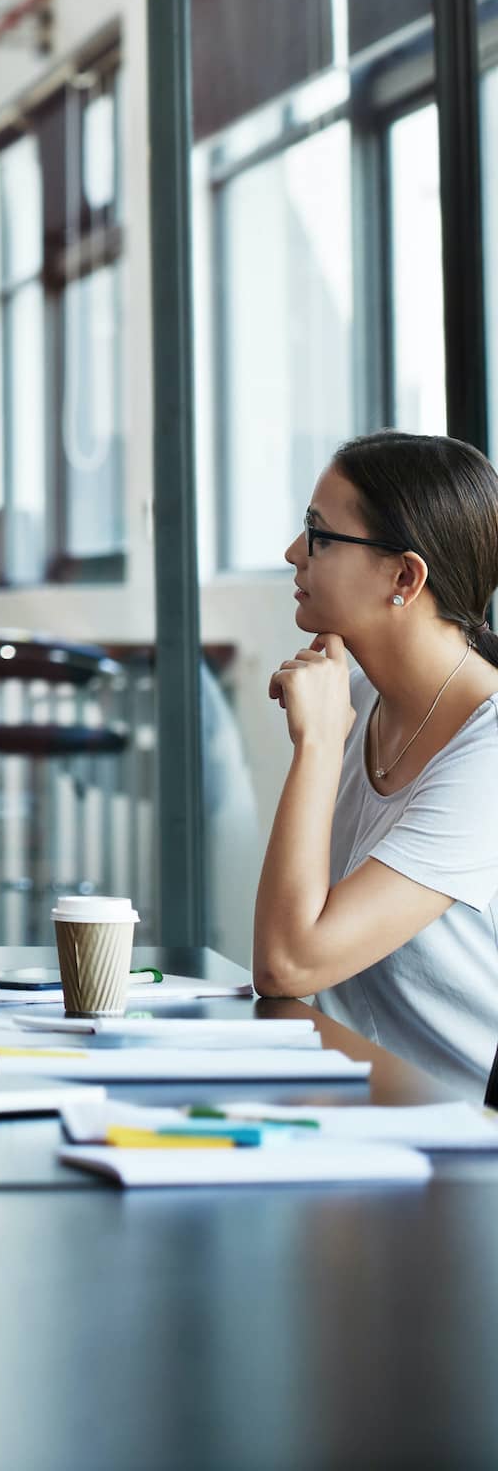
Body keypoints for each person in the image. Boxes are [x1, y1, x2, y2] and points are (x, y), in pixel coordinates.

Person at [257, 431, 498, 1093]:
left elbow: (287, 964)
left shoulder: (488, 758)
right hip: (349, 1104)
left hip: (462, 1150)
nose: (292, 555)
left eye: (319, 535)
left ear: (404, 576)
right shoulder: (357, 696)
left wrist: (316, 745)